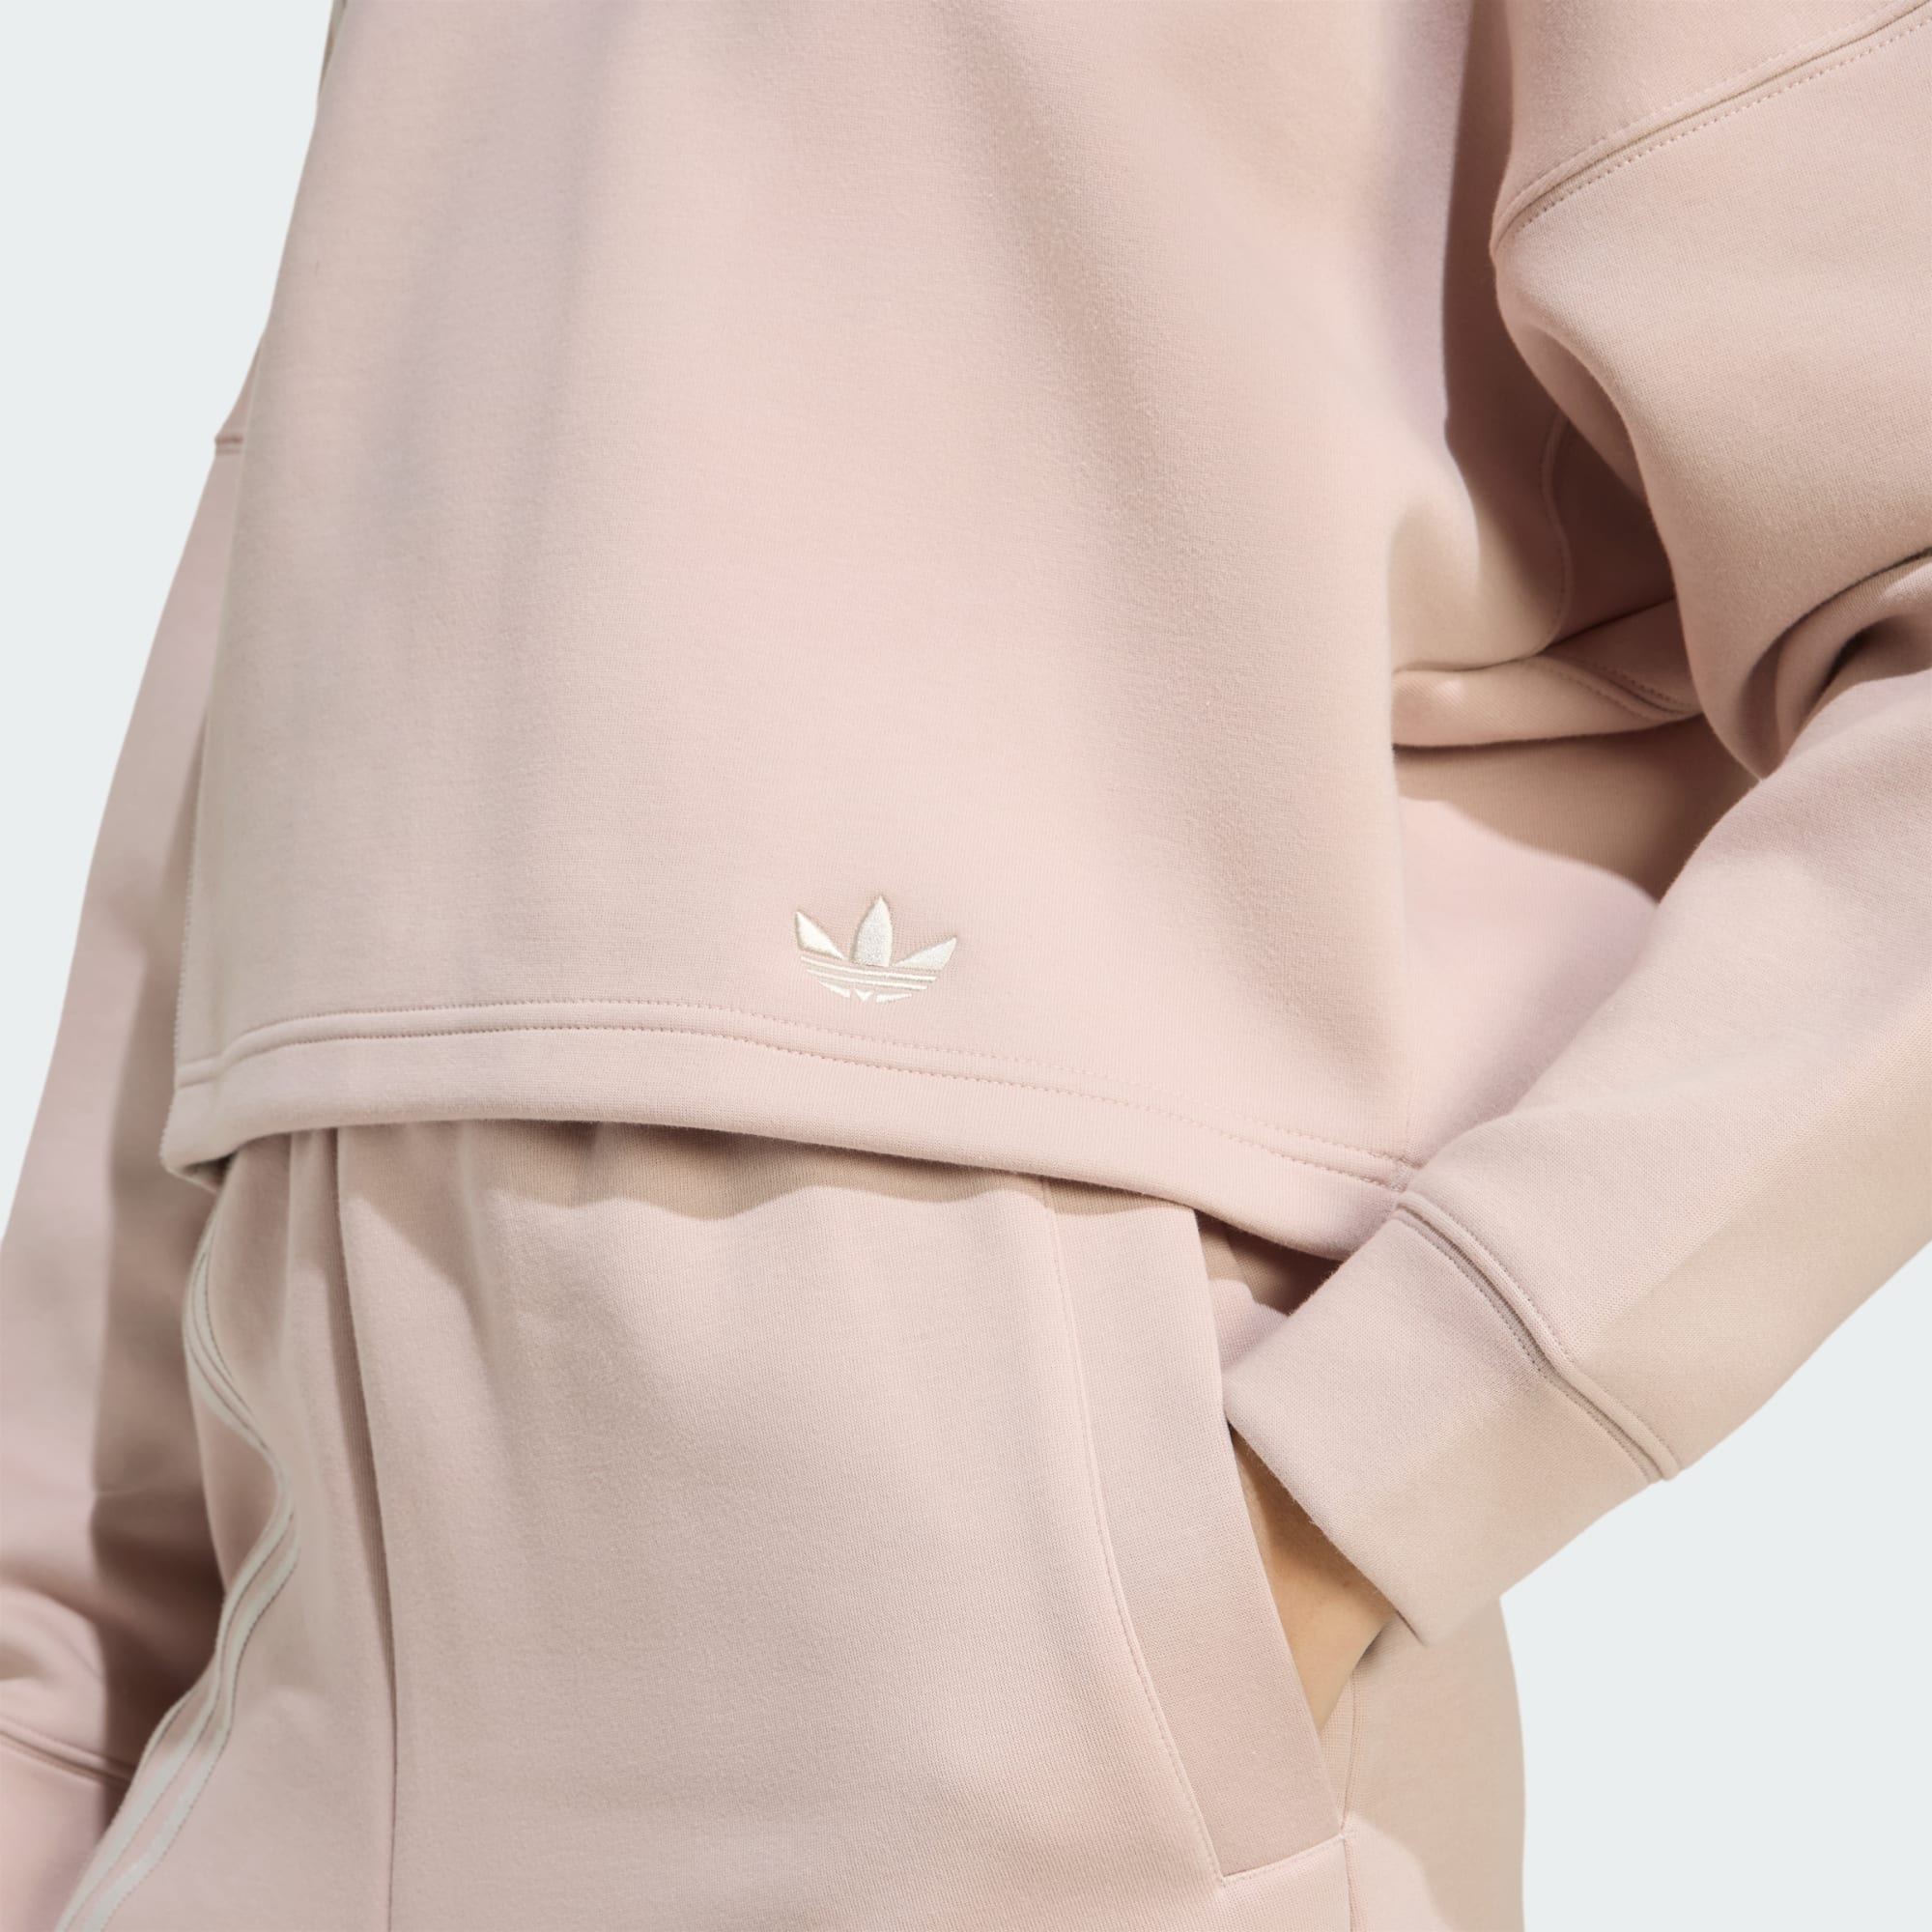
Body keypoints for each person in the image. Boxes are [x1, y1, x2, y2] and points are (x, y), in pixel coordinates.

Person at [3, 3, 1926, 1927]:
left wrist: (1362, 1477)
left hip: (1040, 1727)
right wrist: (43, 1718)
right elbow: (286, 622)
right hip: (282, 1740)